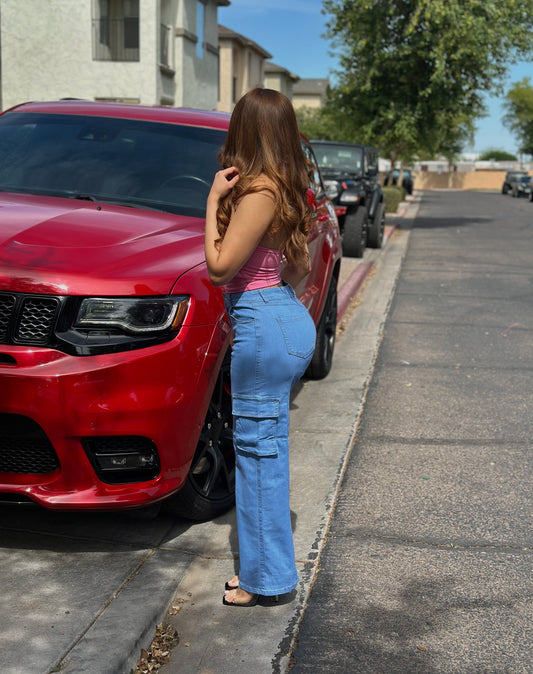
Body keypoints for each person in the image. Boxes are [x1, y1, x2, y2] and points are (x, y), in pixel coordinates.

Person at [204, 88, 317, 607]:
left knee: (256, 454)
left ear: (244, 130)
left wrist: (212, 202)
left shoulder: (260, 192)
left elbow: (219, 268)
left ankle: (265, 581)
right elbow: (301, 268)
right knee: (263, 449)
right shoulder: (286, 189)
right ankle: (266, 571)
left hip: (263, 325)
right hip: (282, 317)